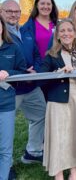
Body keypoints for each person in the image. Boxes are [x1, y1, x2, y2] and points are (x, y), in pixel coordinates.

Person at [39, 19, 76, 180]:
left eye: (69, 30)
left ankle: (74, 173)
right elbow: (41, 80)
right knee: (59, 137)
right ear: (57, 35)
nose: (66, 33)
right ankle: (58, 174)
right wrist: (59, 72)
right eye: (62, 31)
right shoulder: (51, 55)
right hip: (58, 102)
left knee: (75, 136)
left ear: (75, 33)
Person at [0, 0, 46, 170]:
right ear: (1, 12)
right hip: (10, 90)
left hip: (31, 86)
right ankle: (6, 165)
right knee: (5, 128)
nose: (13, 14)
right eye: (9, 11)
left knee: (41, 115)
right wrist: (21, 74)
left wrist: (36, 72)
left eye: (16, 11)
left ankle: (32, 152)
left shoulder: (25, 31)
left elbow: (36, 54)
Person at [0, 15, 27, 180]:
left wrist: (9, 73)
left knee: (5, 148)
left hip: (5, 104)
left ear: (2, 27)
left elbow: (23, 71)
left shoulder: (13, 48)